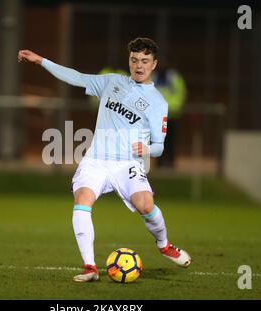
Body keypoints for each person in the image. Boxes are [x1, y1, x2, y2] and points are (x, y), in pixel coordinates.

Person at [18, 37, 191, 282]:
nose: (138, 66)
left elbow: (160, 147)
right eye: (134, 60)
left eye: (144, 61)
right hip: (97, 160)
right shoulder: (112, 82)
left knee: (146, 205)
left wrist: (147, 149)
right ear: (129, 61)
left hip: (127, 164)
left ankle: (164, 245)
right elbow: (76, 77)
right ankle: (90, 267)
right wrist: (42, 61)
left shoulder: (158, 103)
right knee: (83, 199)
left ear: (154, 64)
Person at [152, 59, 187, 168]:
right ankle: (160, 163)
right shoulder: (153, 77)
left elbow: (181, 93)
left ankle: (170, 162)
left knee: (170, 140)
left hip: (172, 115)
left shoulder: (174, 77)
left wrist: (175, 107)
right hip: (158, 116)